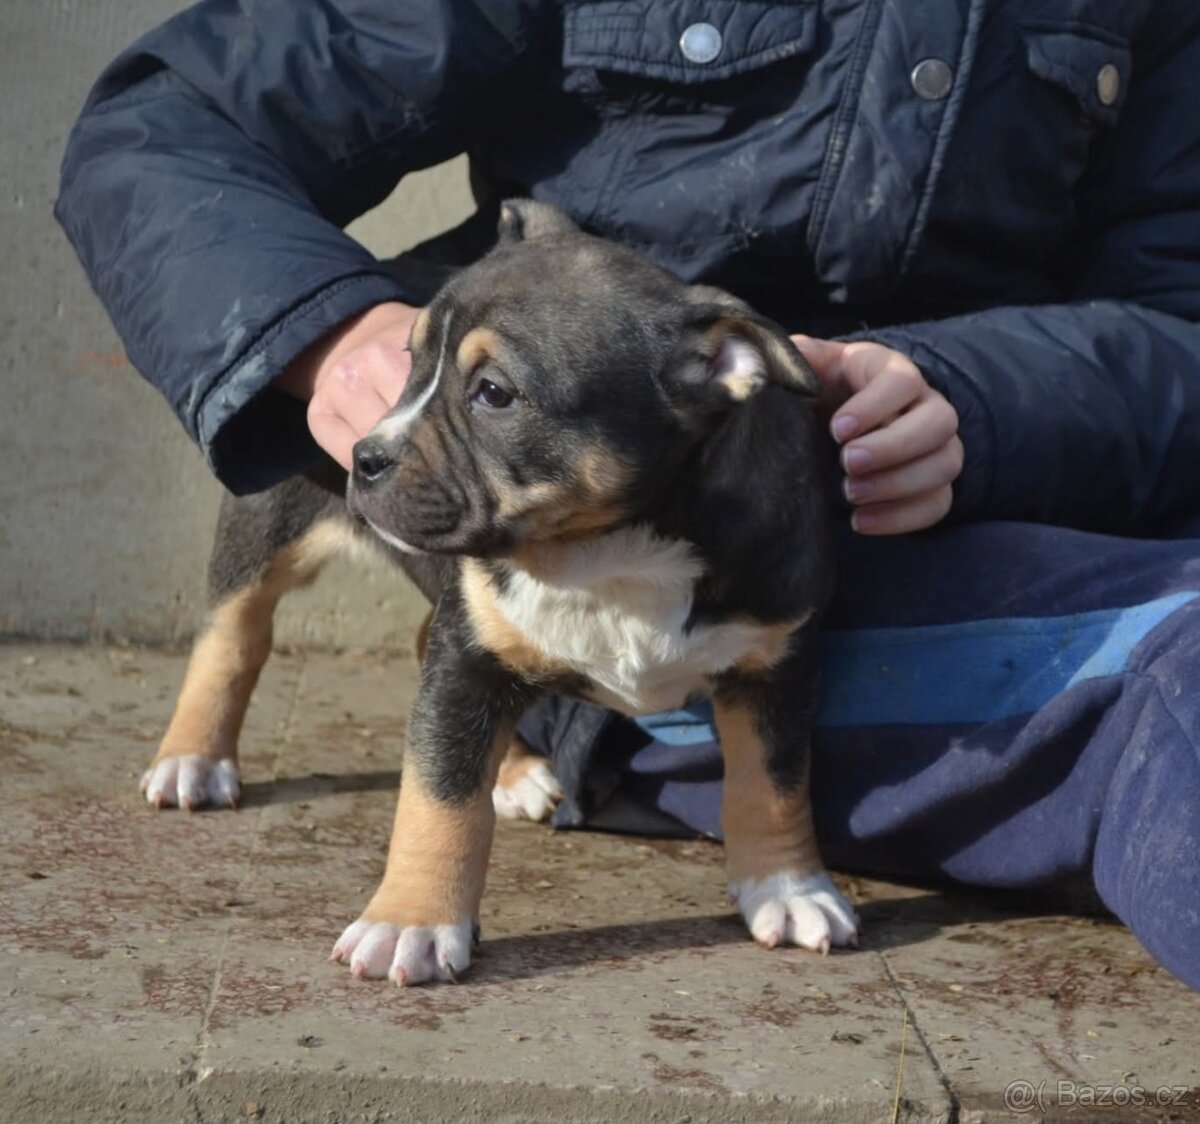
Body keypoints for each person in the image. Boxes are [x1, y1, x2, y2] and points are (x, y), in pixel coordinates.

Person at [56, 0, 1200, 988]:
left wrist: (984, 395)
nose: (402, 426)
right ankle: (227, 703)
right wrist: (330, 337)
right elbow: (161, 124)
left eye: (477, 391)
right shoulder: (457, 434)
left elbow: (1175, 314)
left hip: (892, 536)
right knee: (312, 602)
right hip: (586, 601)